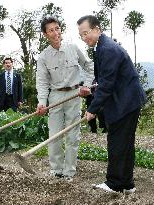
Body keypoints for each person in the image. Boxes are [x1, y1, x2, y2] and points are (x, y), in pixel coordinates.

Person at [77, 15, 146, 193]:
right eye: (81, 35)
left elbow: (107, 85)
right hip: (125, 100)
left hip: (126, 102)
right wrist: (91, 89)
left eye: (86, 33)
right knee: (124, 144)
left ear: (97, 29)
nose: (84, 38)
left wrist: (92, 109)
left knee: (117, 142)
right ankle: (127, 184)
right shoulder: (100, 47)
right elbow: (103, 80)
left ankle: (114, 184)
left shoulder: (108, 49)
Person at [36, 16, 94, 181]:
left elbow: (89, 66)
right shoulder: (43, 57)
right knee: (54, 135)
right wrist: (42, 102)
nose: (55, 33)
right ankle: (56, 170)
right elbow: (41, 82)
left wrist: (87, 86)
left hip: (75, 95)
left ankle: (69, 171)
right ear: (45, 34)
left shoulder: (73, 48)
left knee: (72, 135)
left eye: (57, 28)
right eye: (51, 30)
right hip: (55, 96)